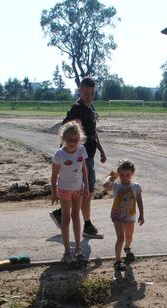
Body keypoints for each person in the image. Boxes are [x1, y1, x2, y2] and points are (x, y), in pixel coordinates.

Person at [49, 77, 107, 239]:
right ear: (80, 91)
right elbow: (65, 130)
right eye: (86, 93)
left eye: (92, 93)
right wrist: (68, 153)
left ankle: (62, 214)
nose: (89, 96)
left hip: (89, 154)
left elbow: (93, 132)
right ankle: (86, 225)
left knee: (84, 190)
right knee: (86, 191)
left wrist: (101, 150)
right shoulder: (76, 108)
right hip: (81, 157)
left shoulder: (90, 108)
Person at [51, 121, 89, 264]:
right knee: (66, 218)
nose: (73, 143)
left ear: (80, 138)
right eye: (70, 140)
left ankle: (78, 248)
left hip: (78, 188)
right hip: (64, 189)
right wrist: (54, 192)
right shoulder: (59, 155)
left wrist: (86, 186)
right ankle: (67, 251)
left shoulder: (81, 150)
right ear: (63, 139)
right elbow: (54, 176)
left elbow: (84, 169)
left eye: (76, 140)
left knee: (76, 216)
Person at [103, 159, 144, 271]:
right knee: (120, 237)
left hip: (130, 215)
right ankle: (117, 261)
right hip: (117, 215)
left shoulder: (136, 186)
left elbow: (139, 201)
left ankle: (127, 248)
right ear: (118, 174)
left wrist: (142, 215)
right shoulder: (116, 185)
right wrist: (113, 175)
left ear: (132, 174)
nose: (125, 177)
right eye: (122, 175)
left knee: (129, 236)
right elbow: (105, 185)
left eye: (127, 175)